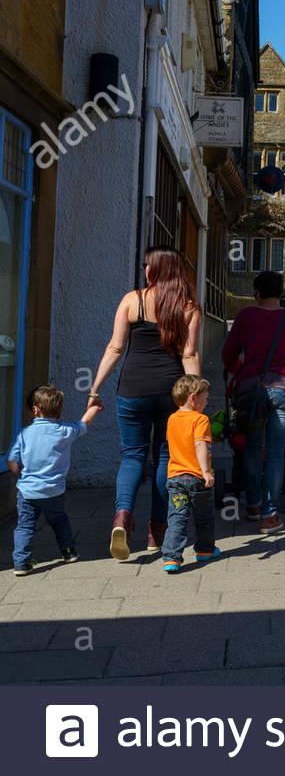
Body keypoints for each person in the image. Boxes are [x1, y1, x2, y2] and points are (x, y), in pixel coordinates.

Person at [90, 245, 202, 561]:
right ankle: (157, 530)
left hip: (132, 390)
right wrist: (195, 397)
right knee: (166, 456)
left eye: (147, 264)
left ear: (156, 268)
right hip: (172, 392)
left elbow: (115, 348)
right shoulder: (189, 306)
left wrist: (94, 387)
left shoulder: (132, 300)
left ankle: (122, 516)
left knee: (132, 456)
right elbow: (189, 355)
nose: (144, 269)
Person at [221, 271, 285, 533]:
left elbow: (228, 356)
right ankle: (270, 515)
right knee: (275, 451)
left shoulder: (246, 316)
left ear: (256, 293)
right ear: (281, 294)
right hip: (284, 389)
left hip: (252, 390)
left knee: (251, 447)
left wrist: (244, 371)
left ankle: (253, 505)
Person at [7, 385, 103, 574]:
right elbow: (85, 423)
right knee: (59, 521)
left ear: (35, 410)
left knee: (25, 526)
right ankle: (68, 552)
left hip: (28, 491)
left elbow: (11, 460)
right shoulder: (65, 431)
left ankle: (21, 562)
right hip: (54, 490)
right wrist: (95, 407)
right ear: (59, 410)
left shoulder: (24, 434)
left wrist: (21, 475)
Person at [160, 375, 221, 573]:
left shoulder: (171, 419)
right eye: (205, 398)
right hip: (197, 479)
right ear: (193, 398)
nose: (207, 401)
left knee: (177, 517)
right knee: (204, 517)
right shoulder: (200, 419)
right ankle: (204, 550)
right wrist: (205, 472)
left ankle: (171, 557)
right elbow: (200, 445)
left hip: (175, 478)